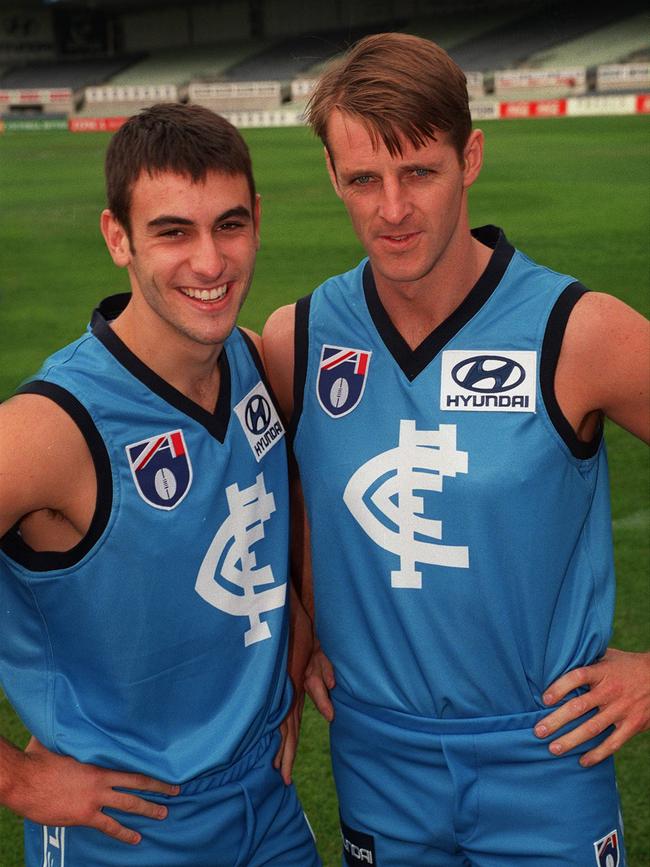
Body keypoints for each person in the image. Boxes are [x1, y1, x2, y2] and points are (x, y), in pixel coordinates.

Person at [263, 32, 650, 867]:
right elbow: (289, 483)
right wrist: (305, 609)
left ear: (470, 157)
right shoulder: (298, 341)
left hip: (545, 754)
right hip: (377, 755)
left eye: (419, 172)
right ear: (333, 176)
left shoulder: (578, 333)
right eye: (364, 178)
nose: (393, 209)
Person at [0, 103, 320, 867]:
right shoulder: (53, 429)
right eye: (173, 231)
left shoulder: (251, 361)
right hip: (123, 830)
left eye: (230, 225)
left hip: (264, 802)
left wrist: (298, 636)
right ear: (119, 238)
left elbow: (287, 500)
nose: (210, 262)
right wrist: (15, 778)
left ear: (257, 221)